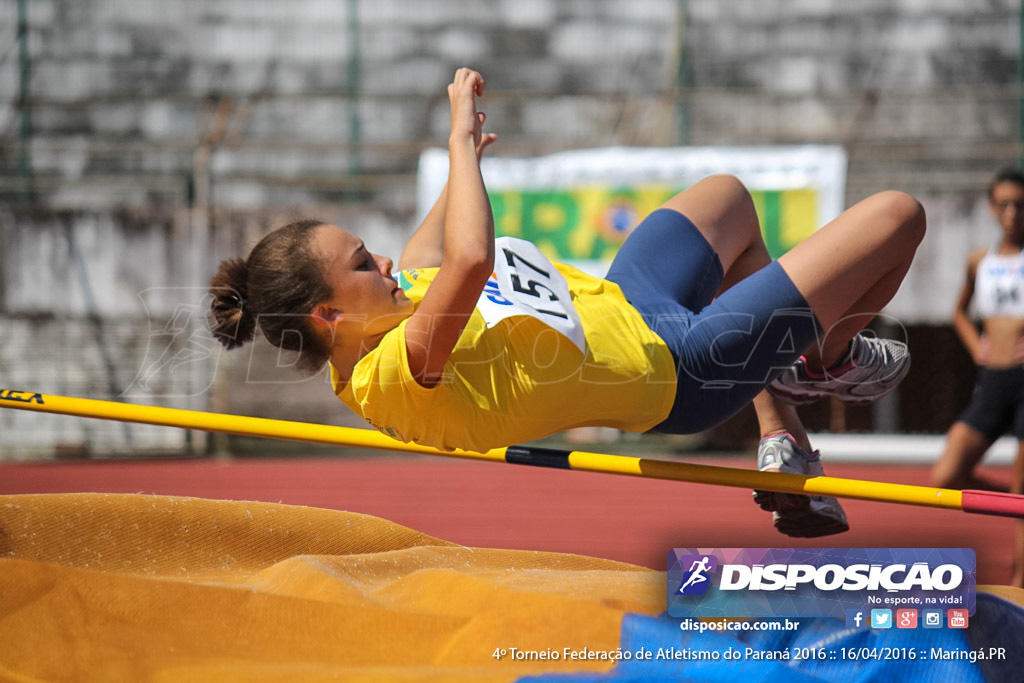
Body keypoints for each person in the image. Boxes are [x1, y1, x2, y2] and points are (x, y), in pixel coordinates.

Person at [209, 68, 924, 539]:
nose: (385, 261)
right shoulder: (392, 372)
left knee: (728, 197)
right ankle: (823, 362)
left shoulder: (401, 300)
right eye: (364, 263)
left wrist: (470, 160)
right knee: (898, 216)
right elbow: (470, 257)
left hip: (632, 298)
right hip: (682, 368)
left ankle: (783, 424)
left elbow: (437, 239)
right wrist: (458, 143)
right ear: (329, 317)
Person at [932, 167, 1024, 587]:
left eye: (1020, 205)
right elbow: (958, 312)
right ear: (991, 208)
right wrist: (976, 346)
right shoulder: (979, 261)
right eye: (1003, 204)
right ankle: (1012, 498)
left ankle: (1018, 588)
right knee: (946, 476)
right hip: (992, 381)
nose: (1012, 213)